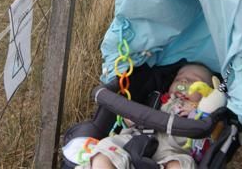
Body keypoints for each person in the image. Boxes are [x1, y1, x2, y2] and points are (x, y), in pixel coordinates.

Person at [81, 63, 215, 169]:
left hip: (172, 152)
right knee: (106, 147)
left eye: (193, 81)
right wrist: (130, 120)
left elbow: (206, 139)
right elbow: (134, 117)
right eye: (178, 79)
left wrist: (197, 112)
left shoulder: (202, 112)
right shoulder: (156, 99)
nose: (184, 82)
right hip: (136, 141)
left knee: (184, 164)